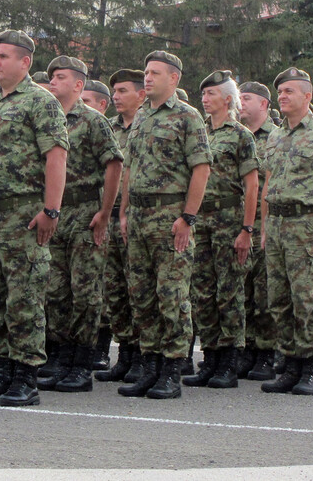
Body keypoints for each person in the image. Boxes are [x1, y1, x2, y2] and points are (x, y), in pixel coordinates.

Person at [0, 30, 68, 406]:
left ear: (25, 62)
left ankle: (25, 377)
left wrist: (51, 209)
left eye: (5, 56)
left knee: (23, 299)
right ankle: (1, 371)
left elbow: (56, 157)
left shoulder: (41, 102)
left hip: (22, 215)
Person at [117, 51, 211, 400]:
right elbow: (130, 168)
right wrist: (124, 212)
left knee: (172, 296)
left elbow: (201, 168)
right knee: (142, 296)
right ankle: (150, 365)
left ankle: (172, 368)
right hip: (140, 217)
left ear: (174, 78)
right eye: (146, 72)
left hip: (170, 217)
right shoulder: (140, 116)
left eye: (155, 73)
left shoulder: (188, 117)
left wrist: (188, 217)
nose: (148, 77)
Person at [259, 68, 313, 396]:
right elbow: (269, 181)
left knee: (305, 295)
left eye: (290, 91)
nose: (282, 96)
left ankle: (310, 365)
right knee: (279, 298)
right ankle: (291, 362)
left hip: (306, 223)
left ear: (308, 97)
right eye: (280, 91)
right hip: (278, 223)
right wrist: (266, 225)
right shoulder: (275, 135)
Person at [39, 56, 122, 393]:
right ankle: (58, 357)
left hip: (86, 211)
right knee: (55, 290)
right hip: (56, 213)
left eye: (59, 77)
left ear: (77, 84)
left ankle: (81, 363)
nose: (53, 82)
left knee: (85, 291)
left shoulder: (93, 121)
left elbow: (114, 165)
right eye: (51, 77)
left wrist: (105, 212)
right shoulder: (45, 119)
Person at [184, 70, 257, 389]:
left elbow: (252, 185)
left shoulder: (241, 135)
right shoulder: (199, 132)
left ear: (228, 98)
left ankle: (228, 361)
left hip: (229, 218)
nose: (205, 98)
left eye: (211, 93)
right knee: (203, 292)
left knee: (229, 292)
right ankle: (210, 357)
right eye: (204, 94)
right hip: (201, 220)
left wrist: (247, 229)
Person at [95, 69, 145, 384]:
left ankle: (142, 357)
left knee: (137, 289)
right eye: (114, 90)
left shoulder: (149, 125)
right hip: (109, 215)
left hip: (137, 218)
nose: (116, 95)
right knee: (115, 290)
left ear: (141, 94)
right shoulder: (110, 128)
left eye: (123, 90)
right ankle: (125, 355)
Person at [237, 81, 279, 380]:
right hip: (234, 222)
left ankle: (266, 352)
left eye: (247, 98)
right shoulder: (235, 135)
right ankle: (247, 348)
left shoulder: (276, 138)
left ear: (263, 104)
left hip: (266, 223)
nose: (240, 102)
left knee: (264, 291)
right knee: (242, 290)